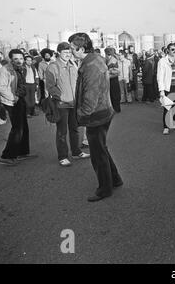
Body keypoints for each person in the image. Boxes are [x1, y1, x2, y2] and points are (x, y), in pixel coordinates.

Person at [69, 32, 123, 202]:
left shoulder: (90, 65)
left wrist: (80, 116)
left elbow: (90, 97)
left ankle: (104, 189)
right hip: (103, 112)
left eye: (72, 48)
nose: (71, 51)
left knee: (98, 154)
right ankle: (115, 180)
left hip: (96, 115)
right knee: (102, 149)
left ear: (82, 48)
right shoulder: (95, 59)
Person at [46, 42, 90, 167]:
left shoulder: (73, 65)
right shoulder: (53, 67)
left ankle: (76, 152)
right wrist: (60, 97)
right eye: (65, 52)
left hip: (74, 103)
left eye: (69, 52)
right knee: (62, 131)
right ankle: (63, 156)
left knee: (74, 129)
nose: (68, 55)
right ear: (58, 53)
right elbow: (50, 86)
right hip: (61, 104)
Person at [0, 49, 36, 166]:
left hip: (20, 99)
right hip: (12, 101)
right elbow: (1, 87)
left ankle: (22, 152)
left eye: (21, 58)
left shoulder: (21, 68)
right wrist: (13, 98)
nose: (19, 61)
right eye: (16, 59)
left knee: (24, 127)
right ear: (10, 59)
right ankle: (6, 156)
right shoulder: (5, 70)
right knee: (17, 129)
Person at [157, 42, 175, 135]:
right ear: (168, 50)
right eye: (172, 49)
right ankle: (166, 126)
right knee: (167, 107)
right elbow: (160, 76)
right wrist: (161, 90)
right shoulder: (162, 61)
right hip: (168, 88)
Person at [105, 47, 121, 113]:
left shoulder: (113, 61)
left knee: (114, 95)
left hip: (113, 80)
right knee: (114, 94)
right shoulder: (111, 59)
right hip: (113, 80)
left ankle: (116, 109)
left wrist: (107, 75)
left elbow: (116, 72)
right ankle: (115, 108)